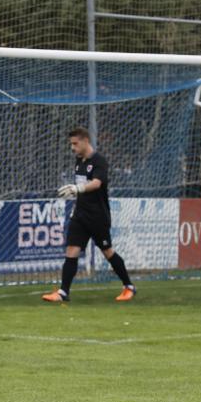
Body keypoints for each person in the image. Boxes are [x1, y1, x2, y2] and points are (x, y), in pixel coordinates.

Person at [42, 127, 135, 303]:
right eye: (71, 144)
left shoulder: (99, 161)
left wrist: (77, 188)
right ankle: (63, 292)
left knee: (107, 251)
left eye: (75, 143)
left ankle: (129, 286)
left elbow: (96, 183)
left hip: (97, 217)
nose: (73, 147)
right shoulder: (79, 161)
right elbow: (83, 186)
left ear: (85, 141)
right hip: (80, 215)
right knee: (71, 251)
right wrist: (75, 199)